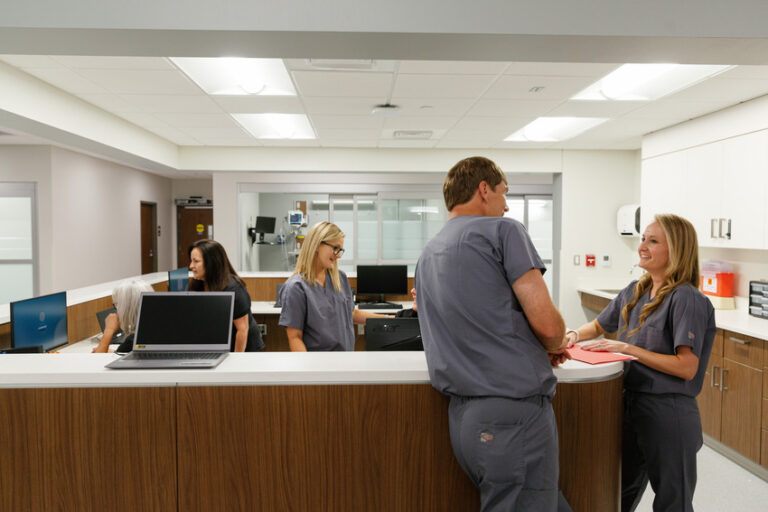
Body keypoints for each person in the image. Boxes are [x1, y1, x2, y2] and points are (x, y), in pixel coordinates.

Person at [415, 156, 569, 511]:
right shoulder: (504, 231)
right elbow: (549, 327)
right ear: (484, 190)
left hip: (465, 420)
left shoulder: (430, 251)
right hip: (512, 413)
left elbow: (474, 324)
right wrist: (555, 341)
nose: (507, 204)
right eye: (504, 193)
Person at [567, 214, 716, 512]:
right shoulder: (636, 290)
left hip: (668, 412)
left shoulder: (686, 299)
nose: (642, 246)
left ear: (676, 250)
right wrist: (572, 336)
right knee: (617, 495)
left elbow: (686, 367)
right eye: (643, 239)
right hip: (630, 406)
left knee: (673, 503)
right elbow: (597, 325)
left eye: (653, 241)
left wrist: (627, 349)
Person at [279, 221, 386, 351]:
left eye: (340, 250)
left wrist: (389, 319)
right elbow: (295, 338)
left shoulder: (340, 278)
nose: (339, 255)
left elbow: (350, 314)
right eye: (335, 248)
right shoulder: (296, 288)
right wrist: (308, 364)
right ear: (317, 245)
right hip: (318, 361)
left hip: (345, 359)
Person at [188, 239, 264, 352]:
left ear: (211, 263)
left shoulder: (233, 288)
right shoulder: (197, 284)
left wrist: (236, 360)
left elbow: (242, 330)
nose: (191, 266)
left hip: (242, 349)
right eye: (191, 261)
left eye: (196, 261)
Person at [92, 279, 153, 353]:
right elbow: (128, 353)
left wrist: (108, 330)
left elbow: (97, 358)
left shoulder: (133, 340)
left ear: (125, 307)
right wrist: (116, 352)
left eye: (116, 304)